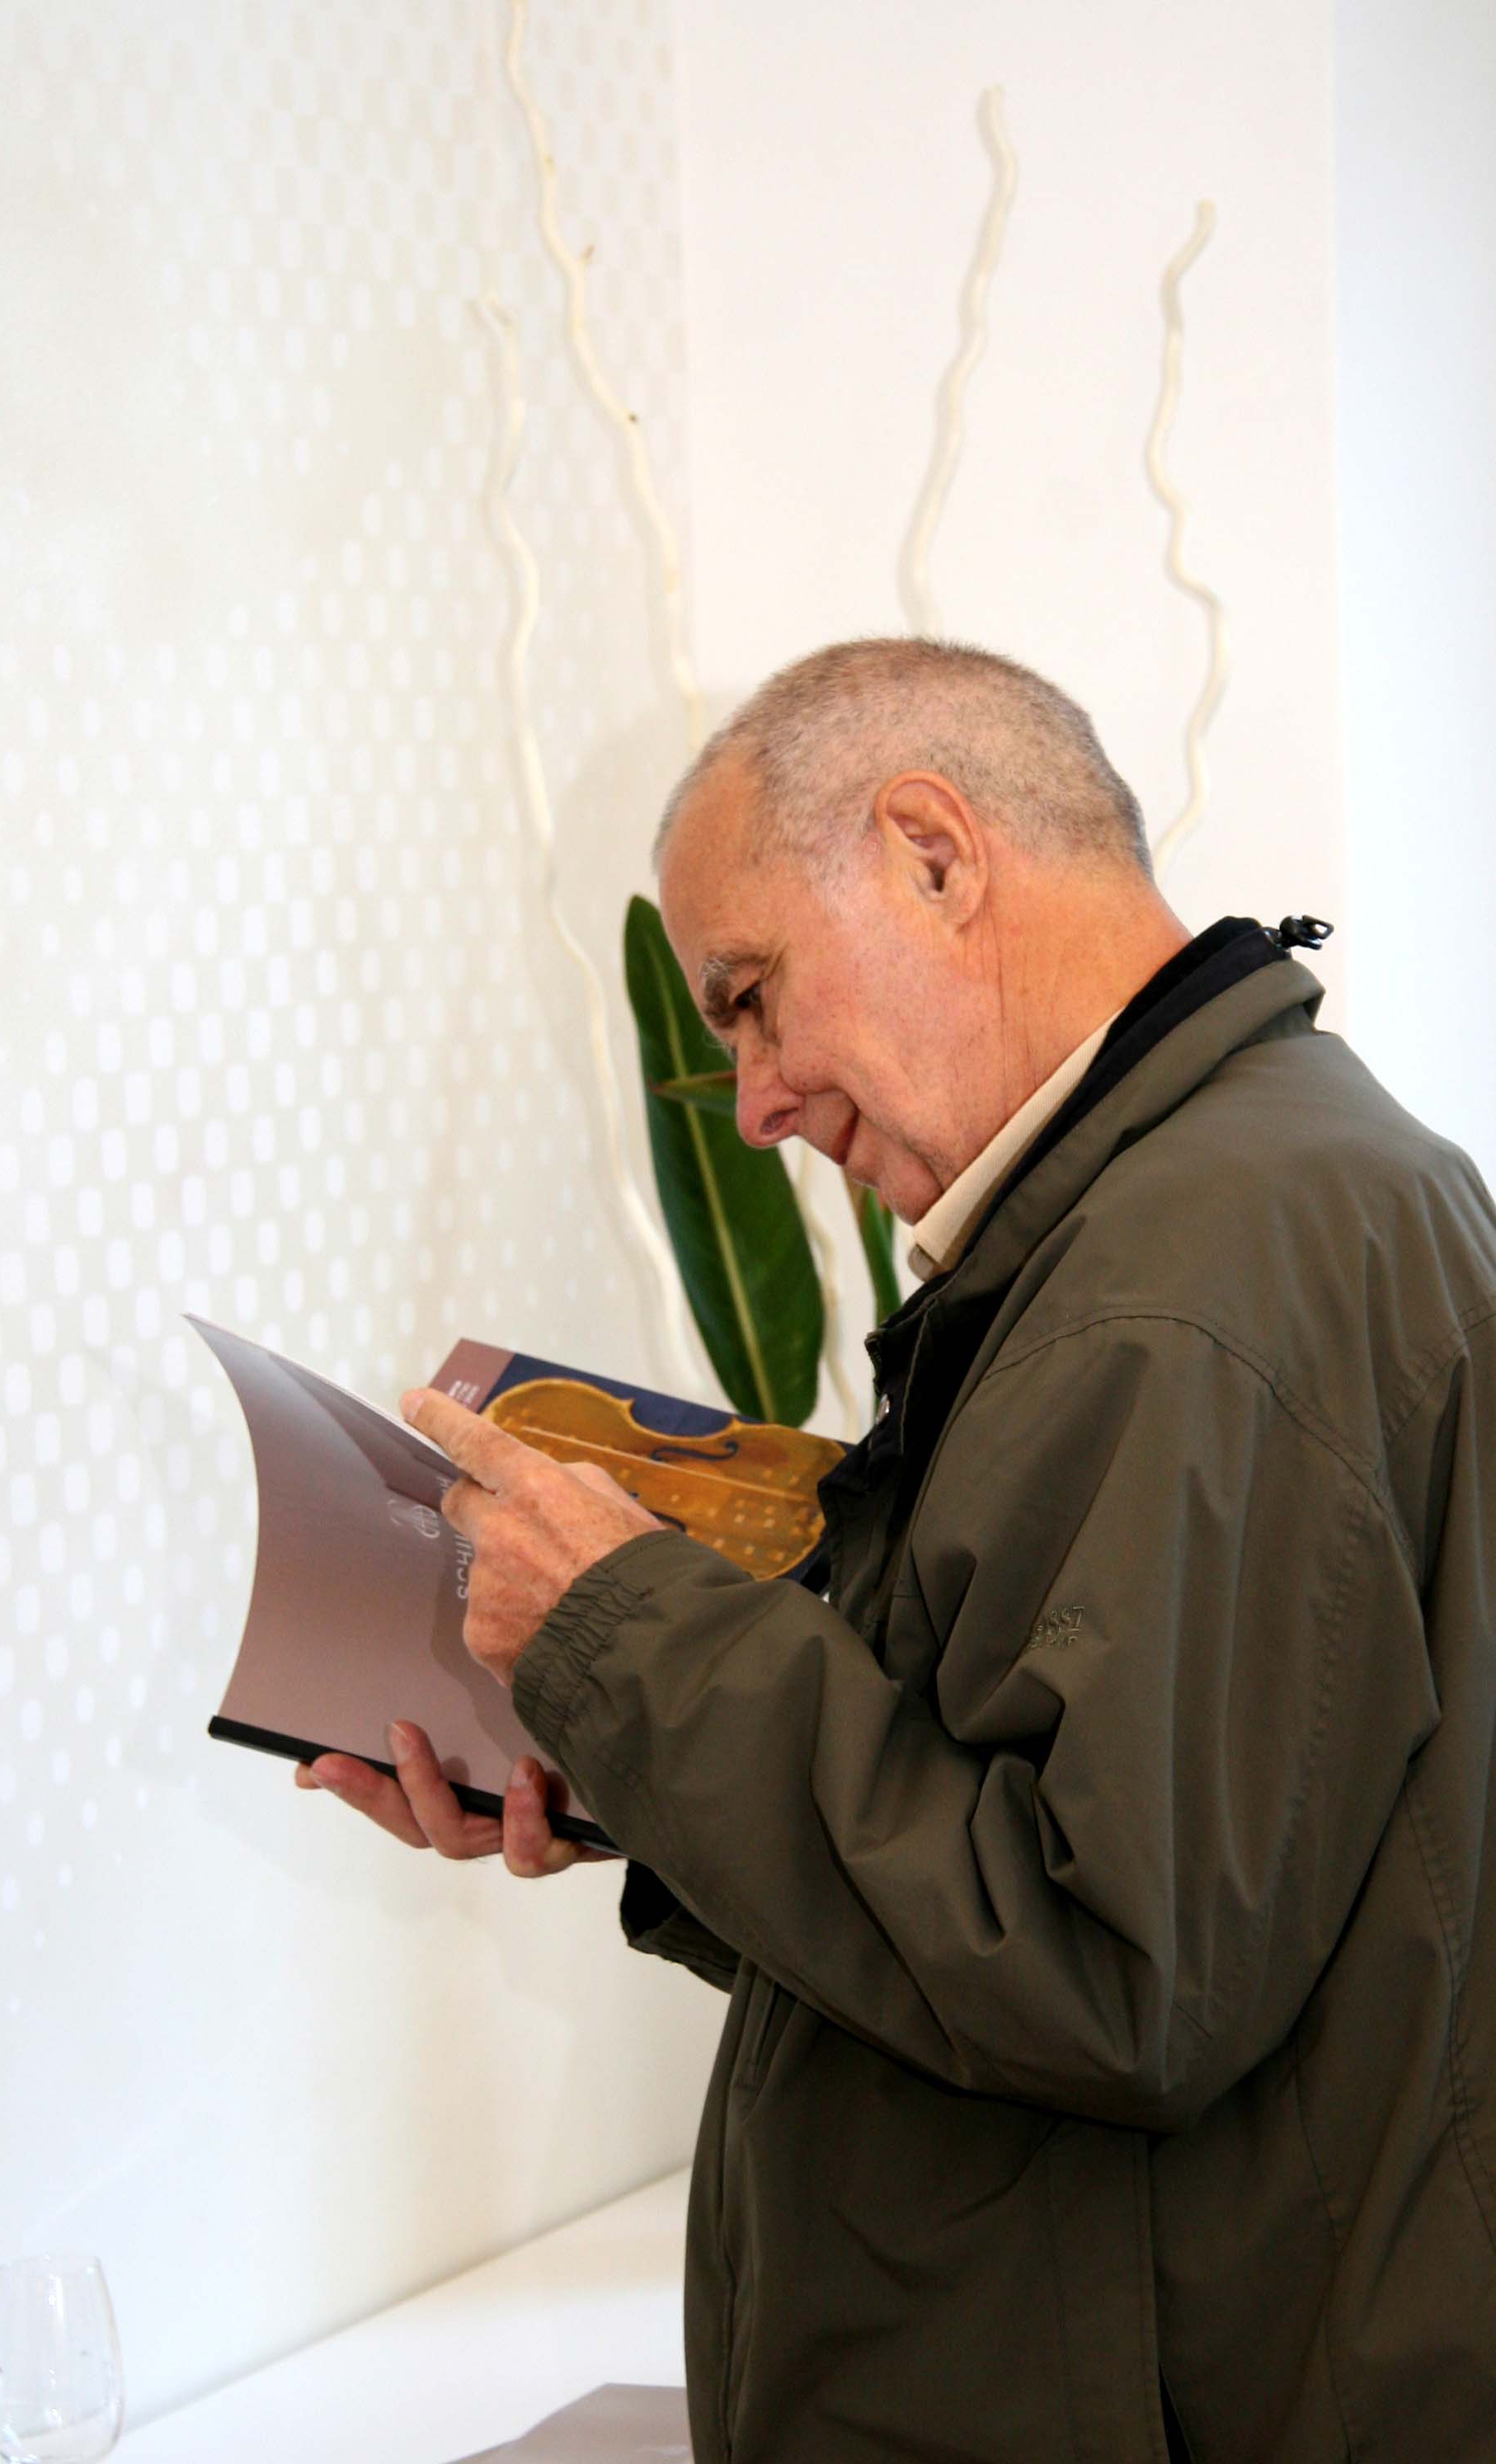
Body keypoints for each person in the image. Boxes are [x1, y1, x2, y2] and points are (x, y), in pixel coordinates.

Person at [299, 638, 1496, 2462]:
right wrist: (619, 1778)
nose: (756, 1103)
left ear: (933, 854)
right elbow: (1050, 1852)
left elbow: (1106, 1974)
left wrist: (630, 1636)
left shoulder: (1191, 1278)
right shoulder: (1205, 1214)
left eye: (751, 997)